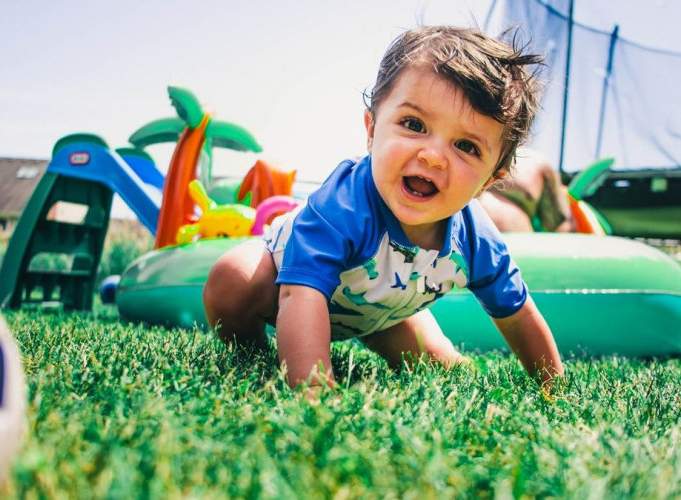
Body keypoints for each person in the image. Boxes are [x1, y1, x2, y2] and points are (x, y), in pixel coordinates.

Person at [203, 26, 564, 392]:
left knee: (443, 371)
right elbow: (300, 295)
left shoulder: (475, 237)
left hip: (381, 311)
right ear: (372, 129)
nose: (433, 156)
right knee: (232, 280)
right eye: (414, 124)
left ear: (489, 180)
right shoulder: (344, 205)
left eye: (466, 147)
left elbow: (518, 315)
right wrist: (314, 390)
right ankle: (251, 350)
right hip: (285, 281)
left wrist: (553, 387)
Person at [478, 148, 576, 232]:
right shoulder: (470, 150)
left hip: (518, 248)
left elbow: (562, 226)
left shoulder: (536, 162)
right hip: (466, 244)